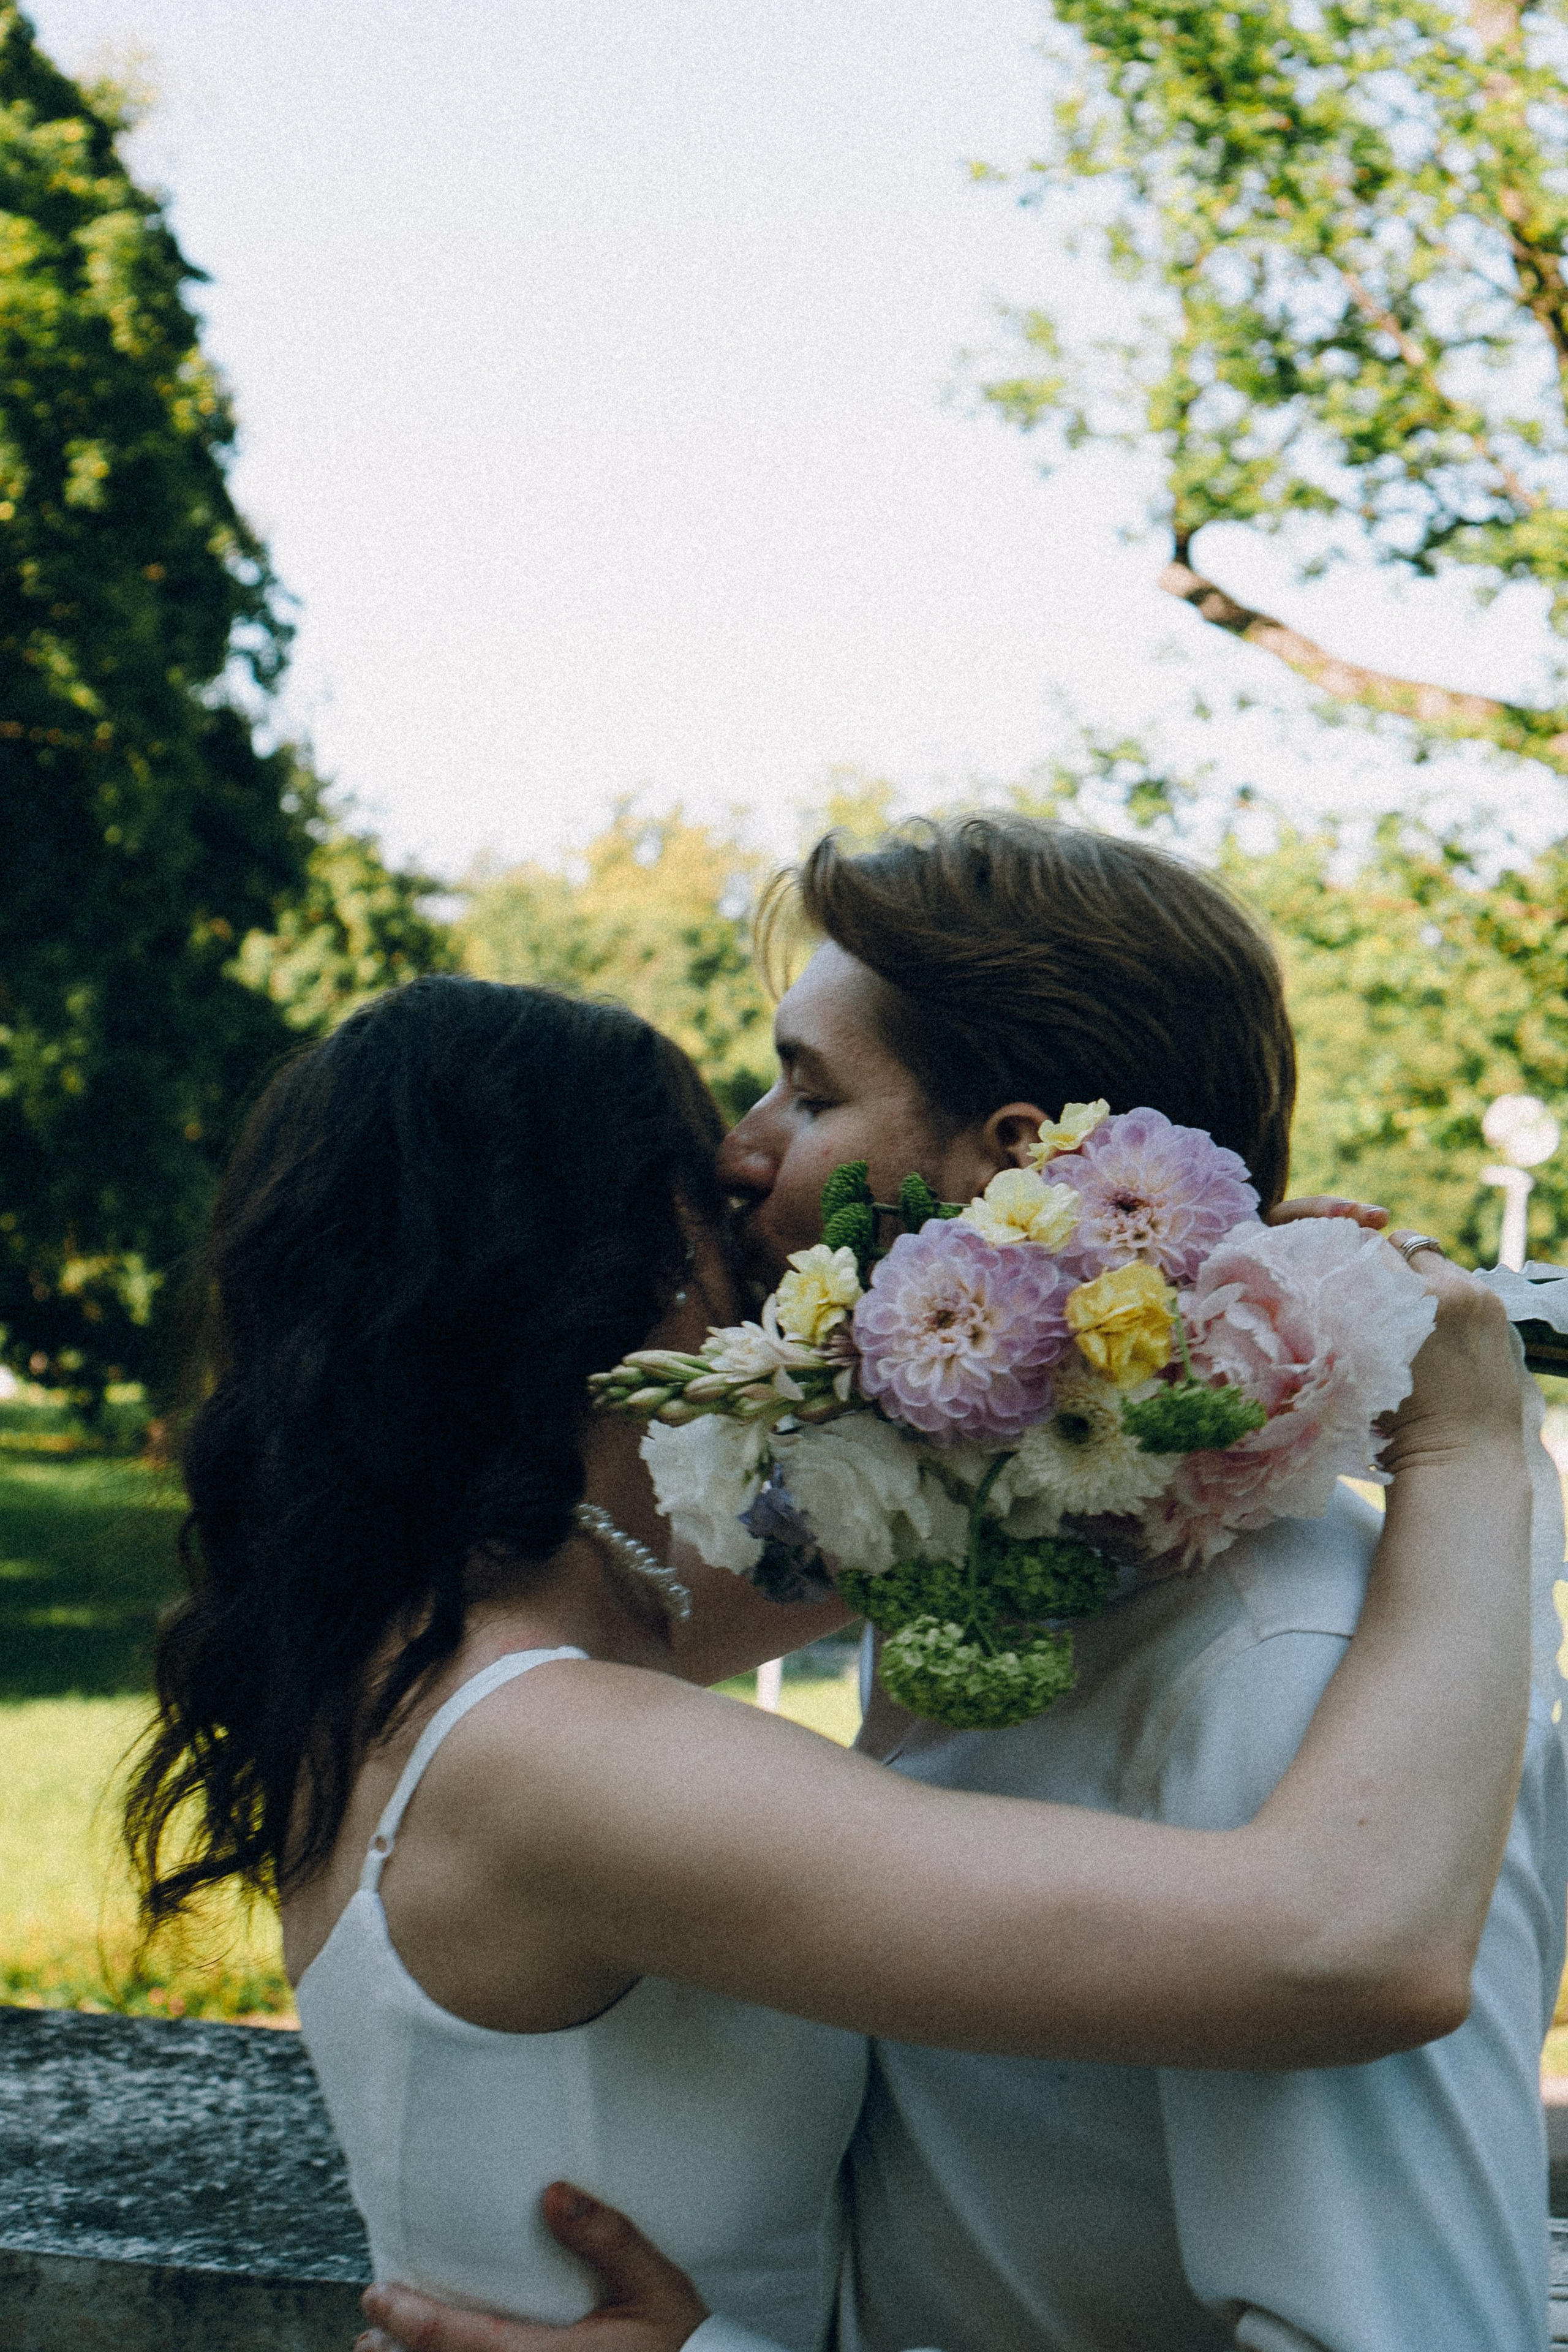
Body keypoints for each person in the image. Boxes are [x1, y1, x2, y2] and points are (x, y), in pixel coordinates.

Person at [124, 926, 1531, 2352]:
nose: (746, 1172)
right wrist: (1476, 1452)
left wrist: (1109, 1328)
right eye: (702, 1159)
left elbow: (926, 1512)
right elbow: (1350, 1952)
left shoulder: (483, 1621)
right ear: (598, 1257)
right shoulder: (553, 1749)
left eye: (797, 1097)